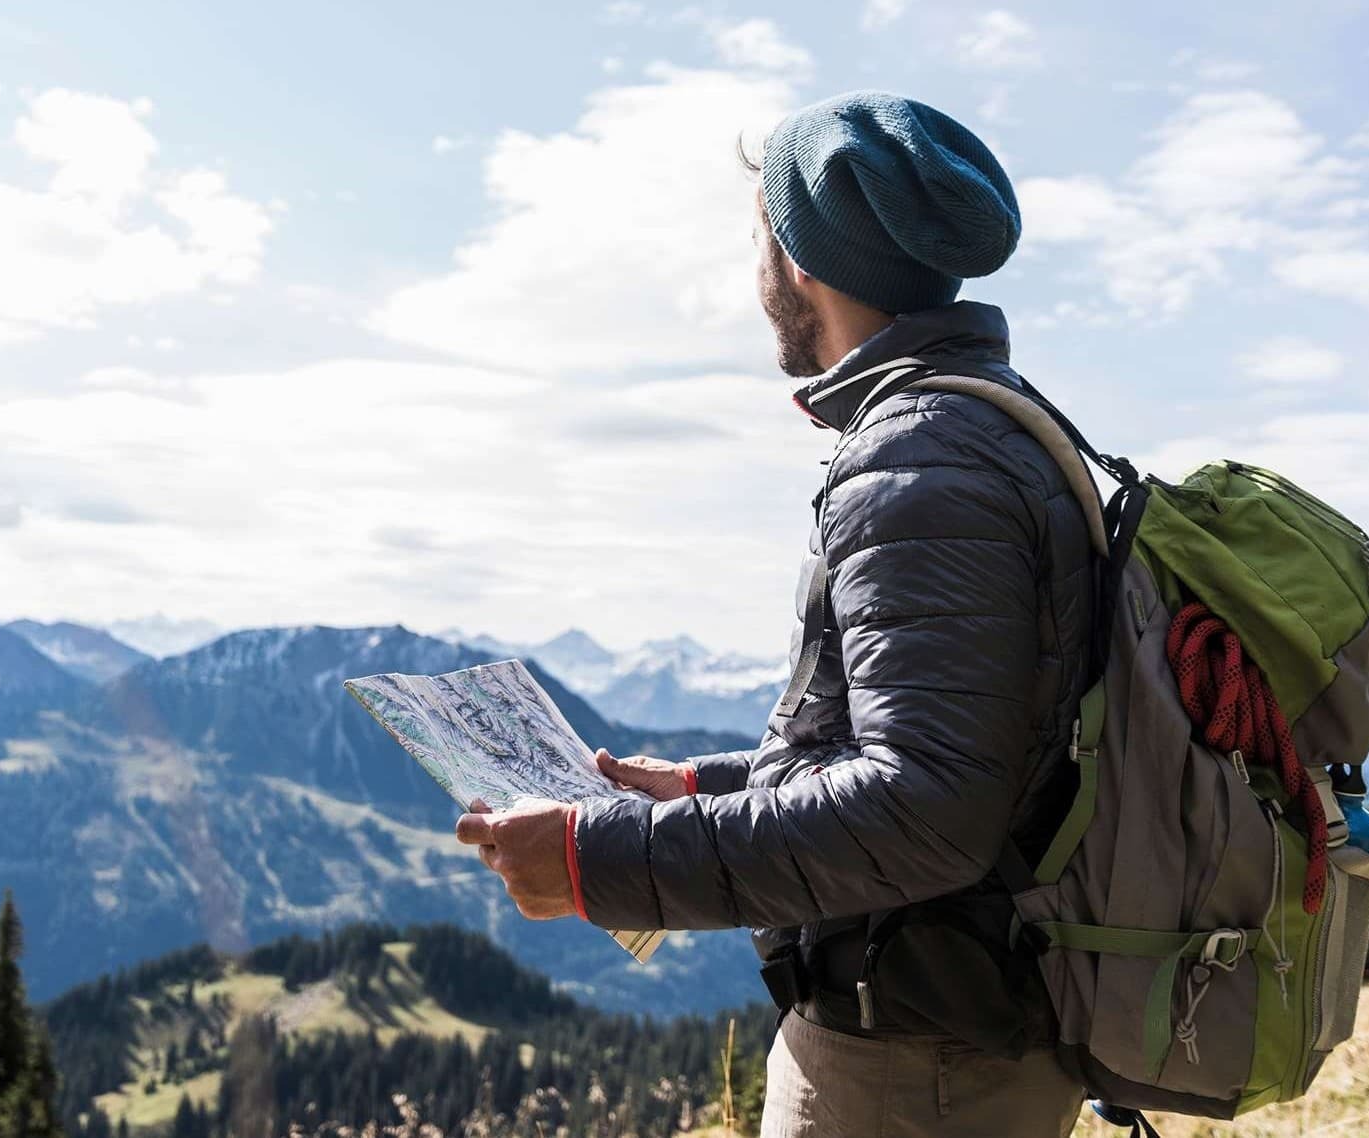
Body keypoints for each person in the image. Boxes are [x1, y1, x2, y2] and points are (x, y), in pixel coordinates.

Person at [454, 90, 1097, 1137]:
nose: (755, 276)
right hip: (941, 1031)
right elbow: (979, 749)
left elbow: (927, 807)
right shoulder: (977, 425)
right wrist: (708, 788)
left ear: (802, 261)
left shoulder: (923, 457)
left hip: (914, 1058)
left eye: (761, 239)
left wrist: (594, 861)